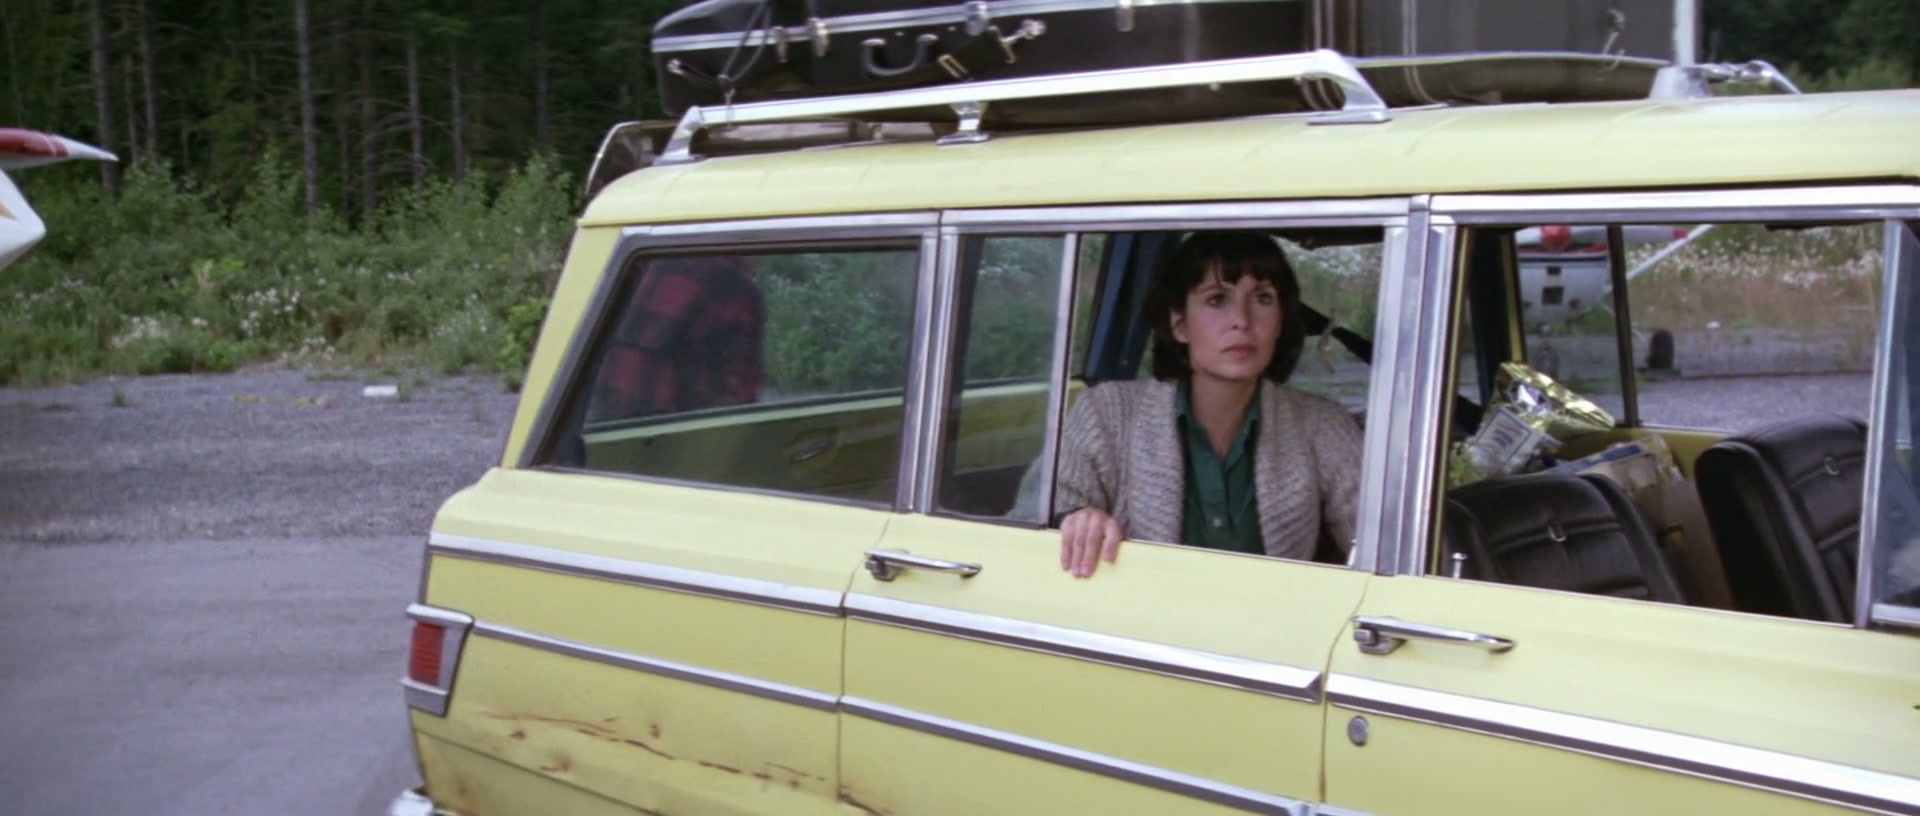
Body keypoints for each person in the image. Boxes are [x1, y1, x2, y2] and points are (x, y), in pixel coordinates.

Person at [1052, 231, 1362, 577]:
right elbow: (1041, 513)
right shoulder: (1105, 412)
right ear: (1180, 324)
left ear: (1279, 322)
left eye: (1262, 298)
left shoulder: (1322, 425)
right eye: (1217, 300)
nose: (1242, 321)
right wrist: (1078, 519)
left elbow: (1380, 544)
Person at [588, 254, 765, 422]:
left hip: (605, 423)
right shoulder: (733, 289)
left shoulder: (652, 263)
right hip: (670, 429)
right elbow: (737, 406)